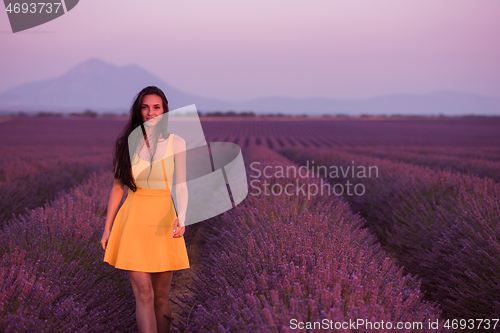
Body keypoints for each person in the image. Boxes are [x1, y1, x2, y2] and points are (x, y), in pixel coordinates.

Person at [100, 86, 189, 333]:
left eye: (156, 107)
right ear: (139, 111)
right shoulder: (126, 143)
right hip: (133, 221)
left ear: (164, 111)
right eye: (145, 107)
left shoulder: (176, 143)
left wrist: (181, 217)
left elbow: (181, 186)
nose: (151, 113)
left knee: (161, 296)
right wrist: (107, 229)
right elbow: (118, 187)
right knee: (145, 293)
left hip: (163, 220)